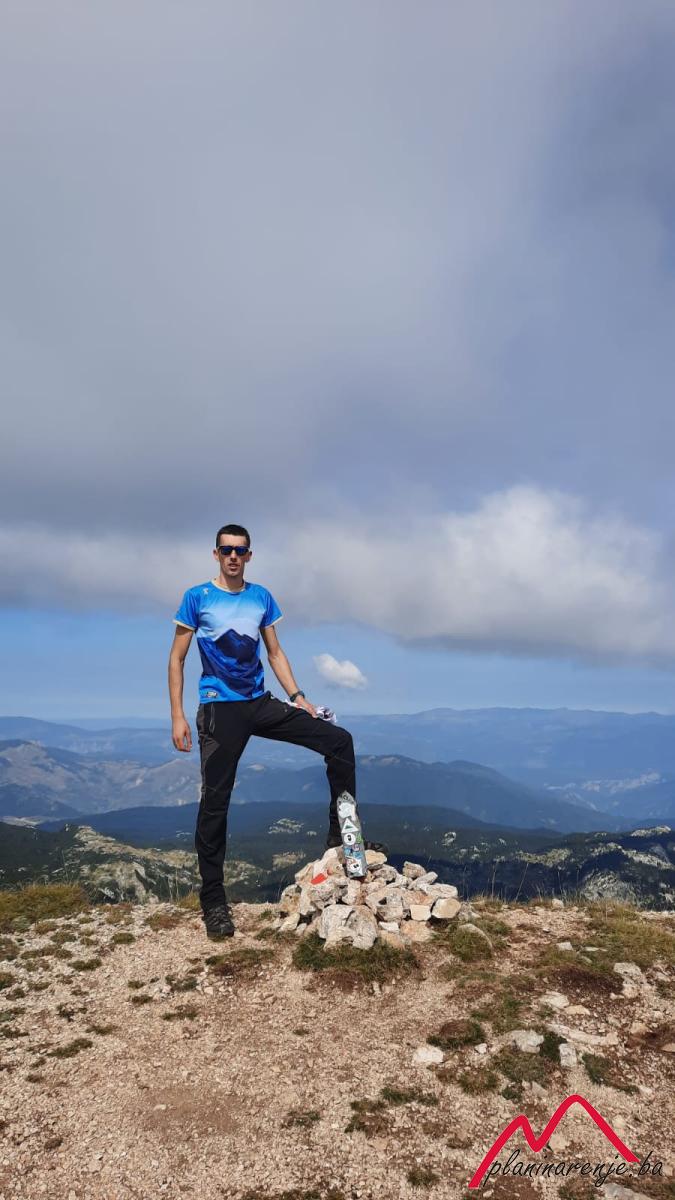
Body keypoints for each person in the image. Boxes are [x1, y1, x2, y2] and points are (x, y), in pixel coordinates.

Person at [168, 523, 372, 941]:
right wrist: (177, 716)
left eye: (240, 550)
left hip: (260, 703)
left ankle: (342, 841)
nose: (233, 556)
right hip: (219, 710)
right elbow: (177, 659)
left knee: (339, 741)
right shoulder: (196, 597)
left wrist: (299, 697)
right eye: (226, 549)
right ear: (215, 553)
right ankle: (213, 902)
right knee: (215, 805)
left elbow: (275, 652)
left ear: (249, 555)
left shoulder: (260, 596)